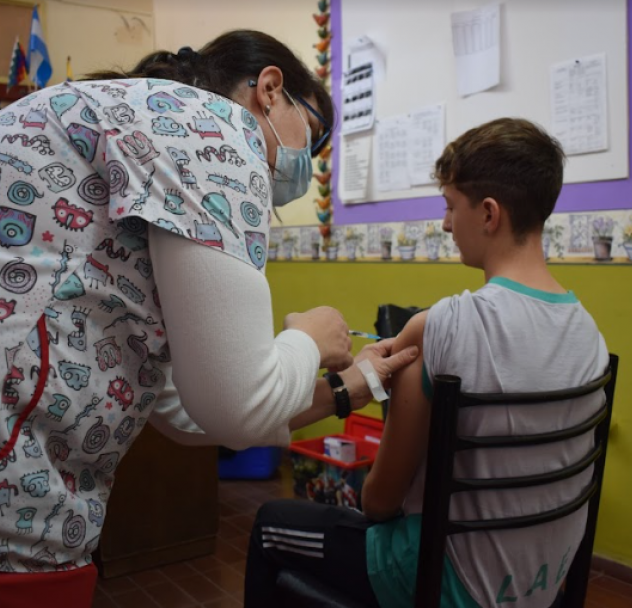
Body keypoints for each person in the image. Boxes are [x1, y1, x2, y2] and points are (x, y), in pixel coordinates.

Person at [0, 30, 418, 607]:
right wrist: (308, 337)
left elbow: (186, 410)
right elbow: (239, 405)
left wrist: (351, 387)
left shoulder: (141, 126)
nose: (311, 162)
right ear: (270, 90)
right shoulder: (216, 130)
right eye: (316, 136)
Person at [245, 118, 610, 608]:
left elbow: (378, 502)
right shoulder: (589, 334)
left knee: (271, 524)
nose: (443, 224)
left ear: (488, 214)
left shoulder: (445, 326)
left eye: (449, 207)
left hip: (454, 585)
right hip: (542, 584)